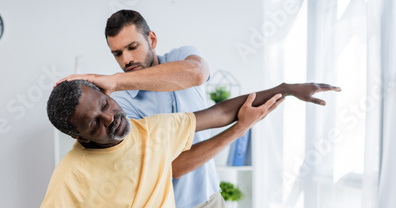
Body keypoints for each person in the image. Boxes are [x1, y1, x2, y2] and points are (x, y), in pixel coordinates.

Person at [57, 9, 342, 207]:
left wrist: (287, 89)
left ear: (151, 39)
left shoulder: (179, 59)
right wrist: (240, 128)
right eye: (117, 53)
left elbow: (197, 76)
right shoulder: (122, 108)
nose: (126, 59)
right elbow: (174, 168)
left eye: (132, 47)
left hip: (211, 193)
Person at [40, 79, 285, 208]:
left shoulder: (152, 130)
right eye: (94, 124)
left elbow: (219, 113)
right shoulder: (71, 174)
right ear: (81, 137)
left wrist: (286, 89)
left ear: (108, 95)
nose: (110, 118)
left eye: (105, 105)